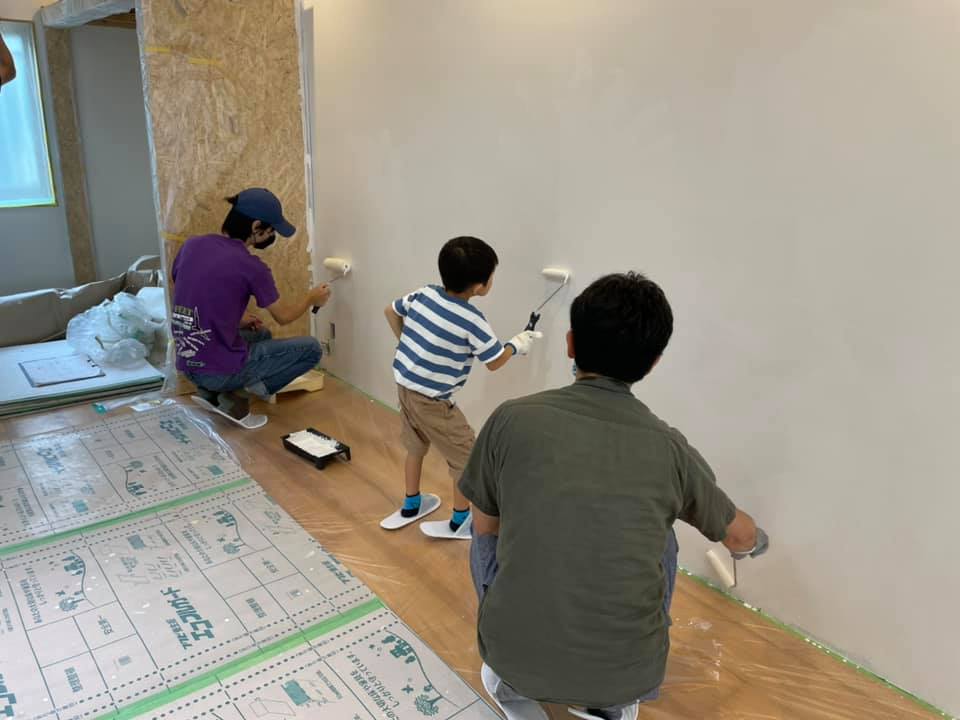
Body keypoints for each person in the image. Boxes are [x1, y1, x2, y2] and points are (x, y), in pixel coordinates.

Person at [459, 272, 770, 720]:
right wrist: (757, 541)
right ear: (653, 362)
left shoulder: (510, 420)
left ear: (570, 344)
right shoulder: (670, 448)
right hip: (627, 678)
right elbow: (740, 537)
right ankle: (607, 706)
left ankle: (512, 680)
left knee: (488, 522)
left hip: (512, 656)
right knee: (661, 535)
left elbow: (485, 527)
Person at [382, 236, 542, 538]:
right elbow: (494, 361)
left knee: (415, 447)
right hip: (433, 402)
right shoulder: (472, 320)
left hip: (405, 388)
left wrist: (407, 343)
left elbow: (391, 311)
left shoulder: (425, 293)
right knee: (466, 459)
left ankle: (411, 505)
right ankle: (459, 522)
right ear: (480, 286)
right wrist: (517, 345)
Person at [171, 188, 329, 420]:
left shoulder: (192, 245)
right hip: (216, 371)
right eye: (271, 230)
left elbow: (195, 294)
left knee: (261, 334)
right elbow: (283, 316)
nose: (272, 236)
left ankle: (211, 392)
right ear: (256, 227)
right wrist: (311, 298)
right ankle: (238, 394)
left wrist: (238, 318)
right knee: (312, 349)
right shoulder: (252, 266)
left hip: (188, 364)